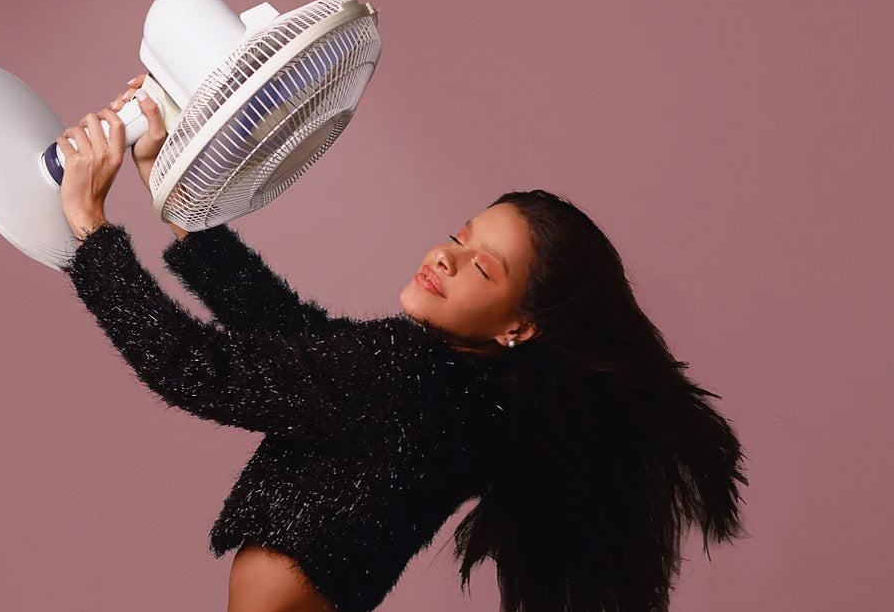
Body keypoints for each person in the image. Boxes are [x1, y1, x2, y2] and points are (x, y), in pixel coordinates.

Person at [55, 75, 748, 612]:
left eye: (481, 265)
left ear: (519, 325)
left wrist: (92, 226)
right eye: (460, 234)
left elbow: (197, 369)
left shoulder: (409, 372)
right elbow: (297, 338)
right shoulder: (473, 394)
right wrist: (173, 189)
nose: (446, 257)